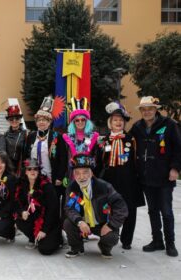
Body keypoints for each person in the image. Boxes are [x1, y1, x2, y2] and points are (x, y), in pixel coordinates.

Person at [130, 96, 181, 257]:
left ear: (156, 110)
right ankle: (157, 241)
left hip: (165, 176)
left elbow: (178, 148)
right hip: (146, 177)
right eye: (144, 109)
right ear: (141, 111)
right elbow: (127, 143)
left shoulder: (169, 125)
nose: (147, 112)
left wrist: (175, 168)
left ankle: (170, 243)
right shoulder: (137, 127)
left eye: (150, 109)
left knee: (166, 211)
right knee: (152, 210)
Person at [96, 101, 145, 250]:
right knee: (108, 208)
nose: (118, 122)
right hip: (108, 182)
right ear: (110, 123)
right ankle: (109, 234)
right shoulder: (103, 141)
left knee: (129, 210)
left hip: (128, 181)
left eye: (121, 120)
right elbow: (98, 163)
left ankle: (127, 240)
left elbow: (138, 161)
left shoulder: (131, 140)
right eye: (115, 120)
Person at [63, 154, 128, 259]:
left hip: (102, 223)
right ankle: (77, 247)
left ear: (91, 173)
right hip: (83, 223)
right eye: (77, 173)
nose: (81, 177)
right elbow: (69, 208)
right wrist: (80, 221)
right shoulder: (72, 188)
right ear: (74, 175)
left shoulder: (104, 187)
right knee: (68, 223)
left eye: (85, 172)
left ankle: (104, 247)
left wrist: (110, 225)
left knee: (112, 236)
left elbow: (122, 208)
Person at [25, 96, 67, 233]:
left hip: (51, 178)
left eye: (45, 120)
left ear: (50, 121)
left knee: (52, 205)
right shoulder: (31, 136)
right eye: (39, 120)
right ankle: (35, 231)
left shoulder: (56, 137)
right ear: (36, 122)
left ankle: (53, 232)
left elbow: (63, 159)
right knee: (36, 204)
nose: (42, 122)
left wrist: (59, 177)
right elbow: (26, 157)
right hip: (34, 178)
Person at [15, 159, 61, 255]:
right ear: (25, 172)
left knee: (45, 249)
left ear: (38, 171)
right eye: (29, 169)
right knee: (19, 221)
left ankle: (59, 238)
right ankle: (33, 238)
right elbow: (17, 202)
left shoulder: (47, 186)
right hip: (34, 218)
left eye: (35, 169)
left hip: (49, 222)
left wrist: (44, 230)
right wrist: (22, 212)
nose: (32, 171)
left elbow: (52, 210)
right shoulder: (22, 184)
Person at [4, 105, 28, 176]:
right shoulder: (6, 134)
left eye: (17, 118)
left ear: (20, 119)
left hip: (20, 167)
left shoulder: (26, 133)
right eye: (11, 119)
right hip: (7, 166)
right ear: (8, 120)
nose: (14, 121)